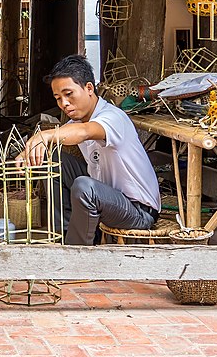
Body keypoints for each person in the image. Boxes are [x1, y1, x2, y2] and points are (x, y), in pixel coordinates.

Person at [19, 54, 161, 245]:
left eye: (69, 94)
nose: (64, 103)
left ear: (88, 88)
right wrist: (28, 150)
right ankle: (65, 237)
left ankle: (76, 254)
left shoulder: (112, 117)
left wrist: (45, 135)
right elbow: (73, 131)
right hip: (108, 198)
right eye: (58, 98)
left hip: (138, 211)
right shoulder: (76, 122)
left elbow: (84, 131)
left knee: (85, 187)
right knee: (54, 162)